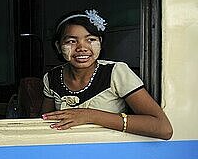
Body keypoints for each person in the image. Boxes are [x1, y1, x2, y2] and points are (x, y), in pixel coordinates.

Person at [41, 10, 173, 140]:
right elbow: (43, 123)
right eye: (71, 41)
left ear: (101, 42)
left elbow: (163, 128)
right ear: (58, 46)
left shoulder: (116, 72)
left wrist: (90, 116)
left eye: (91, 39)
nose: (82, 47)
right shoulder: (52, 78)